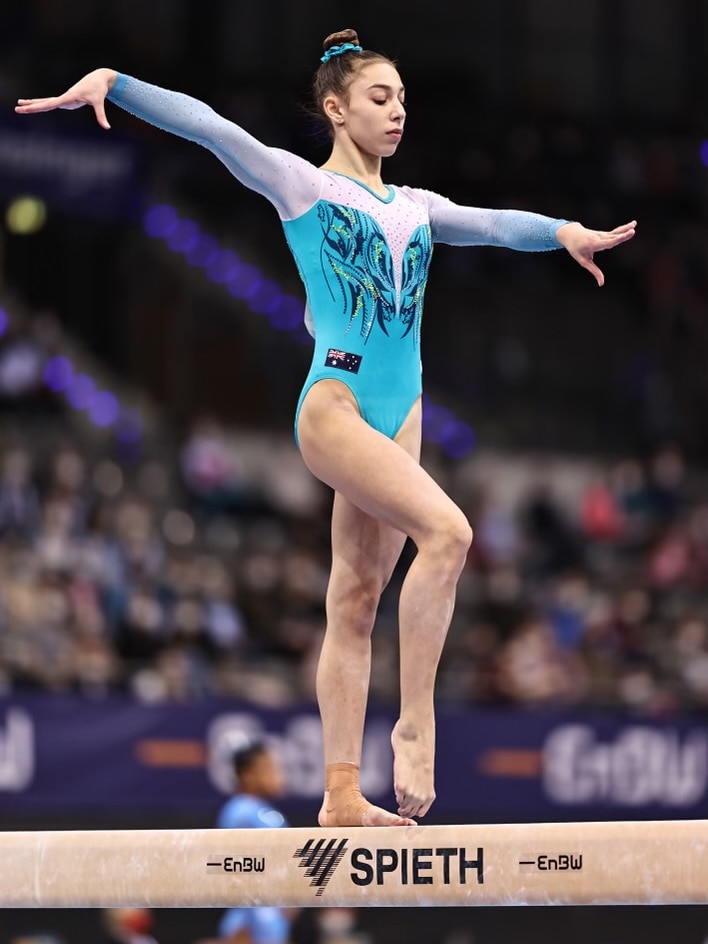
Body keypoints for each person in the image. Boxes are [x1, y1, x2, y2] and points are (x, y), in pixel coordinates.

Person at [16, 27, 636, 828]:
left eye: (405, 99)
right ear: (337, 109)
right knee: (449, 535)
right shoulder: (303, 187)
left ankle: (340, 793)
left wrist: (562, 233)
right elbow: (213, 129)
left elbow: (491, 224)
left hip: (402, 411)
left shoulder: (417, 208)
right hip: (336, 404)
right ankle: (417, 723)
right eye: (381, 98)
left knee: (354, 598)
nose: (398, 111)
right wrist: (118, 82)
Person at [208, 739, 293, 944]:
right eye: (269, 769)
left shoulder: (266, 812)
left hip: (271, 915)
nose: (277, 775)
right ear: (247, 775)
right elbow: (233, 874)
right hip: (249, 918)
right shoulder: (240, 810)